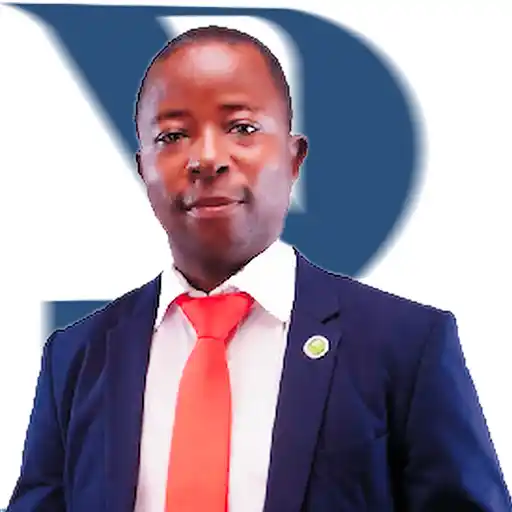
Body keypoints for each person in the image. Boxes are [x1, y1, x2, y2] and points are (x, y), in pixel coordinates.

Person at [7, 25, 511, 512]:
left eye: (242, 128)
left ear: (293, 159)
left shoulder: (406, 345)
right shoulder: (76, 357)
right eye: (173, 135)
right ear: (143, 169)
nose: (207, 158)